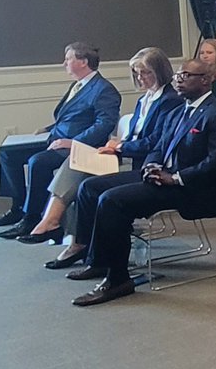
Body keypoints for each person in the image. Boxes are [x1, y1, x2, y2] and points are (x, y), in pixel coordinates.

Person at [65, 59, 216, 306]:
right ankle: (99, 261)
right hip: (160, 176)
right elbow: (158, 146)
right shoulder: (178, 111)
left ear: (206, 80)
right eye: (179, 74)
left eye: (187, 75)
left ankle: (118, 280)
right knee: (91, 188)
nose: (179, 78)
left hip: (192, 187)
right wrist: (151, 166)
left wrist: (176, 178)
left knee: (112, 201)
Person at [29, 48, 180, 249]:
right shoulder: (144, 99)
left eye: (146, 72)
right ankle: (69, 235)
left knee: (83, 177)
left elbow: (156, 142)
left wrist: (120, 146)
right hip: (127, 152)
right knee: (77, 163)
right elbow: (137, 134)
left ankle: (60, 228)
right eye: (136, 72)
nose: (140, 77)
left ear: (160, 71)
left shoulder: (170, 100)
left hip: (146, 163)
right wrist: (117, 143)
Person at [0, 42, 122, 239]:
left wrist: (73, 142)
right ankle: (17, 208)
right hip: (55, 137)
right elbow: (71, 118)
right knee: (8, 152)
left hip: (81, 146)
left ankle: (32, 217)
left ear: (83, 62)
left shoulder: (104, 89)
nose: (64, 63)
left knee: (38, 162)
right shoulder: (77, 85)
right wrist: (47, 129)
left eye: (68, 59)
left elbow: (104, 125)